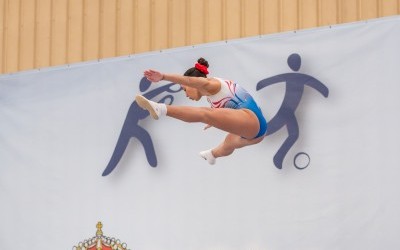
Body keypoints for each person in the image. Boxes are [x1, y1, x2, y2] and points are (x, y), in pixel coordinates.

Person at [136, 58, 267, 165]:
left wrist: (163, 76)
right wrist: (217, 119)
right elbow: (226, 110)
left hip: (252, 120)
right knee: (228, 144)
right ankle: (212, 155)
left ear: (193, 84)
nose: (186, 95)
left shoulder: (212, 84)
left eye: (184, 89)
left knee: (204, 114)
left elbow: (189, 80)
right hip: (256, 133)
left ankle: (160, 108)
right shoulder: (210, 96)